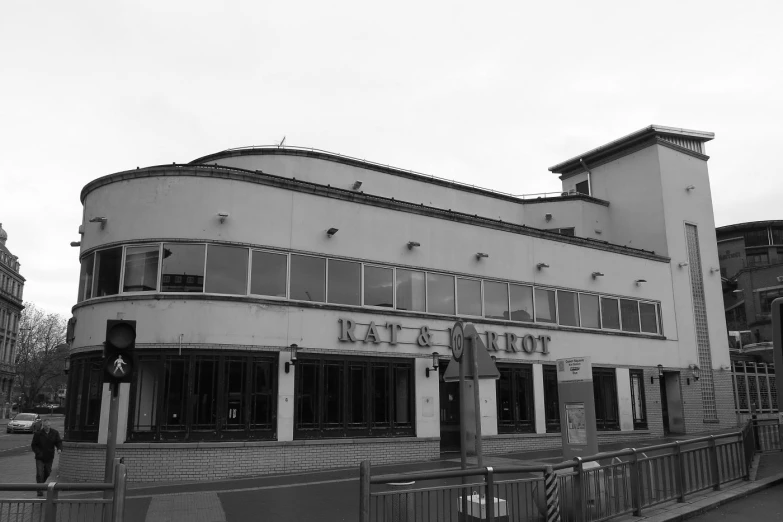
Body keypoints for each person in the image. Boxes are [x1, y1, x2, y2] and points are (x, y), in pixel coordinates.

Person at [31, 419, 62, 496]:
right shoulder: (38, 434)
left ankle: (40, 484)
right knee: (39, 473)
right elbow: (34, 445)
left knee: (47, 472)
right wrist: (38, 453)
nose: (47, 427)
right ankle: (39, 489)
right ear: (43, 426)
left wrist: (59, 448)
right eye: (45, 426)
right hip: (40, 457)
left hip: (49, 456)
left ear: (50, 425)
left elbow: (58, 442)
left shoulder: (55, 433)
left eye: (48, 425)